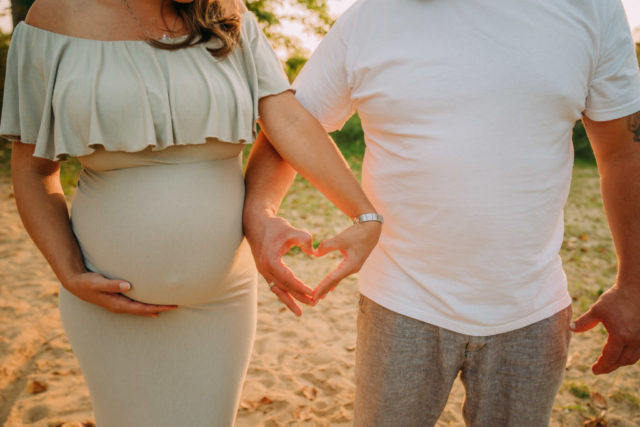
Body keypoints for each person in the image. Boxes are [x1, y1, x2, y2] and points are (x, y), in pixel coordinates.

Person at [243, 0, 640, 425]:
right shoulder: (369, 19)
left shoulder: (590, 10)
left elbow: (623, 152)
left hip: (532, 312)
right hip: (399, 306)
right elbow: (289, 125)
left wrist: (633, 285)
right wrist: (262, 212)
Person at [2, 0, 381, 425]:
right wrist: (67, 270)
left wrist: (363, 214)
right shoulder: (53, 17)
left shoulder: (225, 13)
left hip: (223, 298)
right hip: (110, 298)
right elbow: (33, 170)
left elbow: (288, 121)